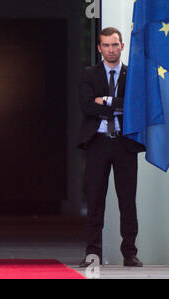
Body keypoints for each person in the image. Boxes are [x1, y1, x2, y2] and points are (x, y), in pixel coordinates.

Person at [77, 27, 145, 268]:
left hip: (125, 145)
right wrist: (119, 106)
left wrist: (105, 100)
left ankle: (130, 253)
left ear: (122, 46)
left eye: (115, 45)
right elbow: (86, 107)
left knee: (127, 201)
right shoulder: (89, 74)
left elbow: (136, 105)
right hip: (97, 143)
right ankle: (92, 252)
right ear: (99, 48)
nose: (111, 50)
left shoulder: (133, 74)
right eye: (106, 45)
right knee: (95, 200)